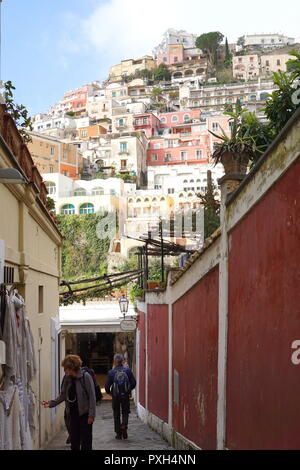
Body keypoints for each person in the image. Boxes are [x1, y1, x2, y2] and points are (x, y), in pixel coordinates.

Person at [42, 355, 96, 451]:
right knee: (74, 443)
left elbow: (92, 397)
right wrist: (50, 403)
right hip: (72, 415)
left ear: (72, 367)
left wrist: (91, 415)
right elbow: (63, 395)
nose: (64, 371)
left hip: (85, 414)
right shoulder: (67, 378)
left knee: (86, 443)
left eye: (66, 368)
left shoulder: (85, 377)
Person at [105, 353, 136, 440]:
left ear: (114, 362)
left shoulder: (111, 372)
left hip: (115, 396)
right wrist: (128, 390)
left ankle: (118, 434)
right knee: (125, 412)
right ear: (122, 361)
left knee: (116, 413)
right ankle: (124, 426)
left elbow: (107, 386)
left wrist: (110, 393)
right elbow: (134, 383)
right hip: (125, 395)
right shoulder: (128, 371)